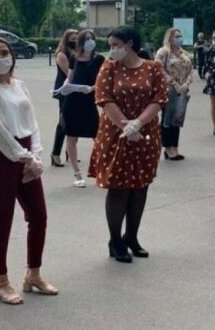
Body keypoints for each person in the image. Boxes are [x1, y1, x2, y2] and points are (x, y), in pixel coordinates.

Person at [0, 36, 57, 304]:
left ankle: (33, 274)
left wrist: (36, 154)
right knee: (2, 219)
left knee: (38, 215)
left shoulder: (20, 85)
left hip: (27, 154)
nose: (0, 59)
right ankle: (0, 281)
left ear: (12, 55)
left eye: (4, 53)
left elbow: (32, 122)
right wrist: (25, 157)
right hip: (4, 158)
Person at [88, 26, 168, 262]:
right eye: (110, 45)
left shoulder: (152, 67)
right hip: (116, 134)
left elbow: (159, 98)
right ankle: (115, 241)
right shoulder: (109, 67)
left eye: (115, 45)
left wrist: (139, 123)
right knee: (119, 187)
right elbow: (104, 98)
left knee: (140, 186)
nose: (112, 50)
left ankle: (131, 236)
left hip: (145, 134)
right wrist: (126, 127)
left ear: (130, 43)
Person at [62, 30, 104, 187]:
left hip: (89, 100)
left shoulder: (99, 59)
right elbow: (69, 77)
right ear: (80, 42)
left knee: (97, 136)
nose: (89, 41)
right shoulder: (74, 58)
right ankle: (77, 173)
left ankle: (101, 169)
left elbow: (103, 80)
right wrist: (65, 86)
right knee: (71, 137)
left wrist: (92, 88)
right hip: (72, 101)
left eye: (91, 38)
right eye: (86, 39)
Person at [155, 28, 193, 161]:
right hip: (169, 90)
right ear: (169, 38)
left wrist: (186, 84)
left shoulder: (184, 53)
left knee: (177, 119)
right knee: (167, 119)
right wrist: (174, 83)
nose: (179, 38)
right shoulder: (163, 52)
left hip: (182, 90)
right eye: (176, 36)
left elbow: (190, 70)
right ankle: (168, 148)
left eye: (180, 36)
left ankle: (175, 147)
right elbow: (159, 69)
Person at [50, 29, 77, 167]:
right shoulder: (62, 54)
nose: (75, 41)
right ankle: (55, 154)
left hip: (75, 89)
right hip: (64, 90)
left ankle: (70, 150)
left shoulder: (77, 52)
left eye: (77, 38)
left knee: (75, 121)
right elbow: (69, 73)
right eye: (72, 38)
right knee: (63, 122)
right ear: (66, 40)